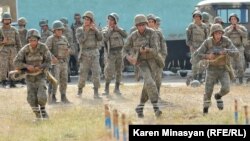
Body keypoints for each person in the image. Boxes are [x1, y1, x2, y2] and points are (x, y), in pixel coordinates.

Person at [194, 24, 239, 115]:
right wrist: (207, 56)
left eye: (220, 33)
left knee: (226, 88)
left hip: (223, 69)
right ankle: (205, 111)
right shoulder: (208, 42)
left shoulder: (226, 41)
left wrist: (227, 51)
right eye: (216, 33)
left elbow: (236, 53)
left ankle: (218, 96)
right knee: (208, 91)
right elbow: (197, 55)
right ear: (212, 34)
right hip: (211, 69)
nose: (219, 35)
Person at [123, 14, 162, 118]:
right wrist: (128, 57)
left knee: (147, 86)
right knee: (149, 81)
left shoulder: (152, 33)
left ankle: (140, 108)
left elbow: (156, 50)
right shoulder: (133, 36)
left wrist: (147, 49)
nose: (141, 27)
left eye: (143, 25)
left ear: (146, 24)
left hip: (153, 61)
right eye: (139, 25)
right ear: (136, 26)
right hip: (141, 63)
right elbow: (124, 49)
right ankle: (156, 107)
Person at [13, 29, 51, 120]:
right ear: (28, 40)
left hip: (40, 75)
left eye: (34, 40)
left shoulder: (43, 48)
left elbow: (49, 61)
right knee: (31, 98)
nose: (32, 42)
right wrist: (26, 66)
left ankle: (43, 111)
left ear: (38, 40)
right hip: (29, 77)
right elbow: (16, 62)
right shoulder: (25, 49)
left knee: (41, 96)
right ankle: (38, 116)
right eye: (30, 40)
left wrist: (41, 66)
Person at [76, 11, 103, 99]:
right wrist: (86, 31)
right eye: (85, 19)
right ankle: (79, 91)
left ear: (92, 21)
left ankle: (96, 92)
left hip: (94, 53)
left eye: (88, 19)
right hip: (84, 54)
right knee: (83, 73)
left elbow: (100, 38)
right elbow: (80, 41)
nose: (86, 21)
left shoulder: (95, 28)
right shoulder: (79, 30)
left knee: (96, 72)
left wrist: (95, 30)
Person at [102, 12, 127, 97]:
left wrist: (118, 29)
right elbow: (104, 38)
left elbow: (125, 35)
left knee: (119, 71)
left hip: (119, 52)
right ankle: (106, 88)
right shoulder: (105, 29)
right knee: (109, 70)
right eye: (109, 20)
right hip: (111, 53)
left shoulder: (119, 29)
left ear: (116, 21)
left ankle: (117, 88)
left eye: (112, 20)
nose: (110, 21)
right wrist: (111, 29)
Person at [46, 20, 71, 104]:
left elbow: (68, 47)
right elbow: (46, 50)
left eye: (61, 30)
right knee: (54, 80)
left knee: (64, 79)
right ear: (54, 31)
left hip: (63, 62)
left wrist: (68, 51)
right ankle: (52, 97)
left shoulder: (64, 38)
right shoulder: (50, 39)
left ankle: (63, 96)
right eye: (58, 30)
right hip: (55, 63)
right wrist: (52, 57)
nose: (60, 31)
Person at [146, 14, 168, 101]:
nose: (151, 23)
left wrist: (163, 56)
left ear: (155, 23)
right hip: (148, 58)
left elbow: (163, 45)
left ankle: (157, 94)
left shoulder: (159, 33)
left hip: (158, 57)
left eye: (152, 22)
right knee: (149, 78)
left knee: (158, 78)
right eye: (149, 22)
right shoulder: (144, 34)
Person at [224, 13, 248, 84]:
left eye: (234, 19)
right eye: (232, 19)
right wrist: (230, 30)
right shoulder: (227, 29)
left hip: (239, 48)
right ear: (230, 21)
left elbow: (245, 35)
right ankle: (232, 81)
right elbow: (224, 36)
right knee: (231, 64)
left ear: (237, 20)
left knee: (240, 64)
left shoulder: (242, 28)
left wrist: (238, 30)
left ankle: (240, 81)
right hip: (230, 48)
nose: (233, 20)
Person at [186, 10, 208, 84]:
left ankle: (200, 77)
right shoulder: (191, 26)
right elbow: (188, 38)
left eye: (198, 16)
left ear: (201, 17)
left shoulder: (204, 26)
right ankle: (194, 78)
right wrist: (190, 46)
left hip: (202, 47)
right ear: (193, 17)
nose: (197, 18)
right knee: (195, 63)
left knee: (202, 63)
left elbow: (207, 37)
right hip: (194, 48)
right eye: (195, 16)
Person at [0, 12, 22, 88]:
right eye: (5, 20)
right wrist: (2, 42)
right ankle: (3, 81)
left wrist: (20, 52)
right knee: (3, 65)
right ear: (3, 20)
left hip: (13, 49)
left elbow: (18, 41)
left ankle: (12, 81)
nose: (6, 21)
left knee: (12, 65)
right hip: (3, 49)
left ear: (10, 20)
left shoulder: (14, 30)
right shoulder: (0, 30)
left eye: (8, 19)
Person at [60, 17, 74, 83]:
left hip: (66, 49)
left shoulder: (68, 30)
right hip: (60, 49)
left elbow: (70, 40)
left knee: (66, 63)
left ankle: (67, 77)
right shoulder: (60, 30)